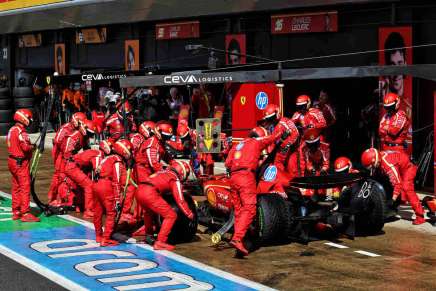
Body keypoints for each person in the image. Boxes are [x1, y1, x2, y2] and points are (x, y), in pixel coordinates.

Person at [225, 126, 288, 256]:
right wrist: (283, 133)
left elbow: (227, 163)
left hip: (233, 178)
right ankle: (237, 238)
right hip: (245, 177)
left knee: (239, 210)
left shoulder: (238, 145)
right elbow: (272, 138)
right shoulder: (256, 142)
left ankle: (240, 241)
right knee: (250, 208)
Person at [135, 160, 194, 251]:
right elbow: (180, 200)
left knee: (148, 212)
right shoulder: (174, 178)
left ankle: (149, 235)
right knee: (171, 215)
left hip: (139, 189)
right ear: (182, 172)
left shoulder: (162, 171)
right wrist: (189, 214)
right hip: (149, 192)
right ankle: (160, 242)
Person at [361, 148, 426, 225]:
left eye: (371, 166)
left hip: (409, 167)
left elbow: (398, 184)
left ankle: (420, 215)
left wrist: (392, 200)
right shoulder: (379, 158)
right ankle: (396, 204)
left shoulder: (388, 165)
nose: (371, 168)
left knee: (406, 188)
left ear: (375, 161)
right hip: (400, 164)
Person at [93, 139, 132, 246]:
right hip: (106, 186)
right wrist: (117, 200)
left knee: (98, 212)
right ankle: (105, 239)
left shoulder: (107, 158)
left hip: (96, 184)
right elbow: (117, 181)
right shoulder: (117, 161)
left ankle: (98, 236)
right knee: (111, 213)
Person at [7, 109, 39, 222]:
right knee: (25, 187)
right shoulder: (21, 131)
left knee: (16, 187)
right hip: (21, 162)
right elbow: (25, 147)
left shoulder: (11, 129)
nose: (30, 121)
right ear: (23, 118)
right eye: (29, 119)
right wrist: (33, 147)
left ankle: (16, 211)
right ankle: (25, 213)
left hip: (12, 160)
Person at [47, 112, 87, 204]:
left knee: (66, 175)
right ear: (76, 121)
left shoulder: (79, 131)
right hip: (60, 154)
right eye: (82, 122)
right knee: (59, 175)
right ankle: (52, 197)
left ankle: (65, 196)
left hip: (70, 155)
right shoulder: (66, 128)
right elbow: (57, 142)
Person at [60, 120, 95, 218]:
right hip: (70, 165)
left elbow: (87, 151)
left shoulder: (83, 137)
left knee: (81, 185)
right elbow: (67, 154)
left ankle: (79, 206)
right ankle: (88, 210)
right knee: (89, 185)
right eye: (89, 133)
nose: (90, 136)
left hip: (74, 165)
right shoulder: (73, 137)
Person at [261, 104, 300, 186]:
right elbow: (270, 141)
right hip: (279, 153)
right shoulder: (269, 126)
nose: (270, 120)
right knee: (277, 171)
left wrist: (288, 144)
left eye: (271, 118)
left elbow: (296, 133)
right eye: (268, 119)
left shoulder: (285, 121)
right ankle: (281, 188)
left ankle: (296, 189)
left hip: (290, 151)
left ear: (277, 113)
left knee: (292, 170)